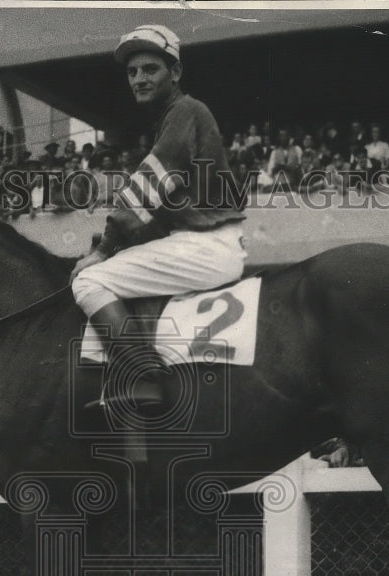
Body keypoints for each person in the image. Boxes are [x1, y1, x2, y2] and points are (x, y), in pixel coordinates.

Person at [69, 24, 247, 411]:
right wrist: (107, 246)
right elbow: (157, 213)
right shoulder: (175, 116)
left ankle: (144, 378)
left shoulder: (185, 111)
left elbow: (149, 184)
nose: (139, 79)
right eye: (132, 72)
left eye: (150, 69)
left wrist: (105, 250)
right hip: (199, 242)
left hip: (205, 245)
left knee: (88, 282)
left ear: (175, 73)